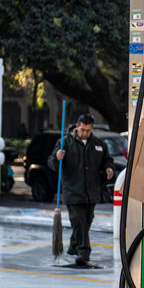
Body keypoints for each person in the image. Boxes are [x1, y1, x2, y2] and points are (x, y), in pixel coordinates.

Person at [48, 114, 114, 266]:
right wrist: (57, 158)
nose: (85, 133)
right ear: (77, 126)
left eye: (88, 130)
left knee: (87, 221)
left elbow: (107, 159)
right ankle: (84, 252)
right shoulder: (64, 143)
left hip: (91, 192)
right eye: (83, 129)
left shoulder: (99, 144)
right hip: (73, 191)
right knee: (79, 223)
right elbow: (52, 164)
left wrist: (109, 168)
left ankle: (73, 247)